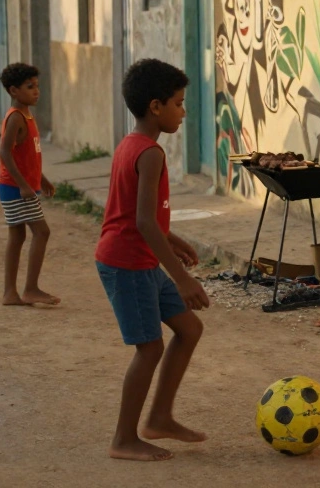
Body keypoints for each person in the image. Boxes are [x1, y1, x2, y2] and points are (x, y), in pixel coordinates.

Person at [95, 58, 210, 462]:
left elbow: (138, 215)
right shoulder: (149, 154)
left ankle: (159, 417)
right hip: (127, 263)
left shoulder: (134, 145)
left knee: (189, 329)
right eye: (179, 103)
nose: (184, 111)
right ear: (156, 106)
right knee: (148, 349)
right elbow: (143, 221)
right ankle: (123, 439)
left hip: (140, 258)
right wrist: (182, 278)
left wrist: (173, 239)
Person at [0, 62, 59, 307]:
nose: (36, 91)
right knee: (41, 232)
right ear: (13, 91)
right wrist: (23, 185)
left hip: (17, 186)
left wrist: (41, 179)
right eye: (30, 87)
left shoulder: (27, 115)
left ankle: (10, 293)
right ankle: (30, 289)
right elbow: (5, 152)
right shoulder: (16, 118)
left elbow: (28, 155)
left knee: (17, 236)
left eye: (37, 86)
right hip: (14, 187)